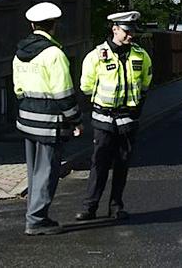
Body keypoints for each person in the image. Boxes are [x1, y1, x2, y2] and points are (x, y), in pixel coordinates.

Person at [13, 2, 83, 235]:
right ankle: (36, 219)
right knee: (47, 172)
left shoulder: (19, 52)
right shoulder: (54, 54)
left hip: (27, 120)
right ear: (54, 26)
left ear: (32, 25)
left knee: (34, 172)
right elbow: (64, 93)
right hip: (49, 123)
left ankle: (33, 214)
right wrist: (75, 119)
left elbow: (18, 89)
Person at [75, 11, 152, 221]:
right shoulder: (96, 56)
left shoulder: (141, 55)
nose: (131, 35)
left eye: (133, 31)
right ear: (115, 29)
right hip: (104, 119)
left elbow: (145, 84)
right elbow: (86, 87)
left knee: (122, 164)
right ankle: (89, 207)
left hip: (128, 119)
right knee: (99, 163)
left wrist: (137, 109)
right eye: (127, 31)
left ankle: (116, 206)